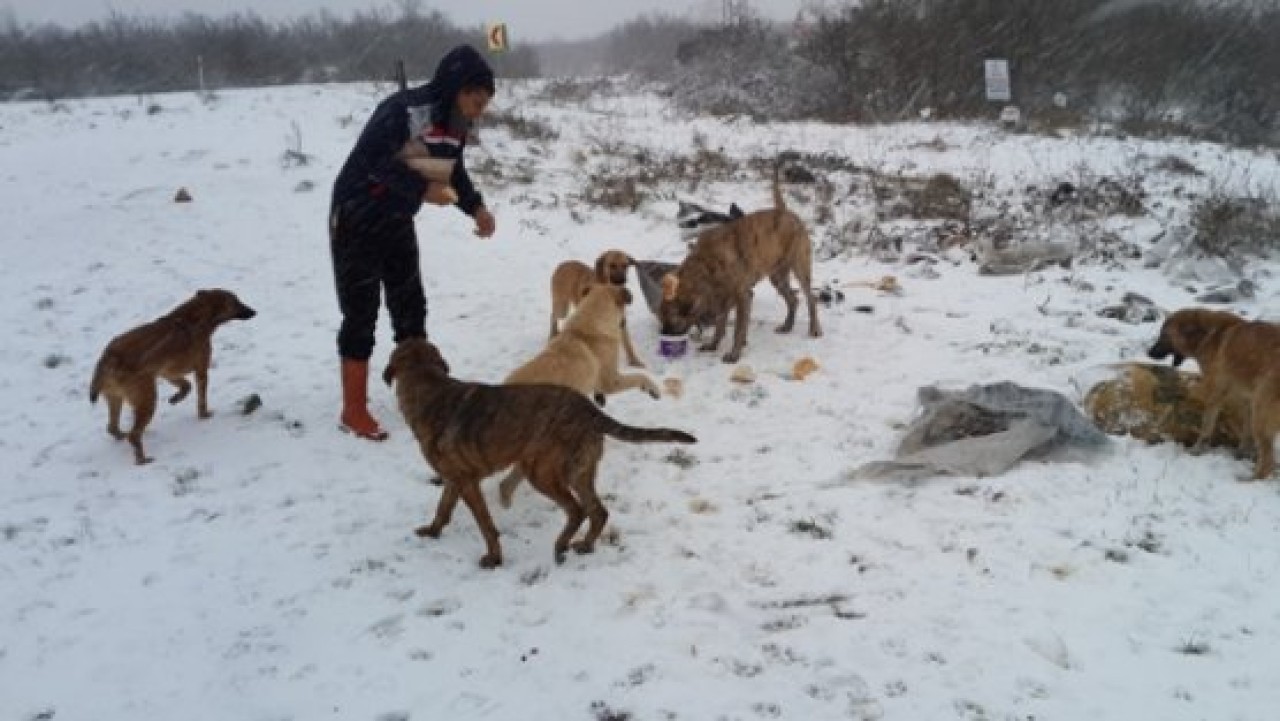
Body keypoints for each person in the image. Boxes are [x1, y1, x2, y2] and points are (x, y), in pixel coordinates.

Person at [329, 44, 496, 440]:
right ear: (456, 87)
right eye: (474, 99)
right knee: (361, 310)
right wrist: (421, 189)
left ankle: (418, 387)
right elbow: (374, 159)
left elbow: (454, 173)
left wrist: (476, 209)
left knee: (409, 303)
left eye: (484, 104)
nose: (478, 110)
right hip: (356, 214)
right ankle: (353, 409)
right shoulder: (406, 111)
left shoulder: (455, 125)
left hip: (397, 218)